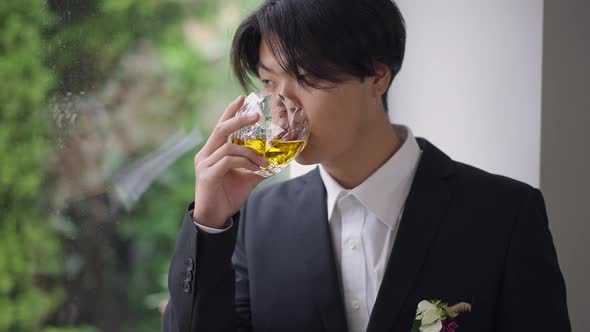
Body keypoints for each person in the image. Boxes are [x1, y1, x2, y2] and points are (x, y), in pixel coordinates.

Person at [162, 1, 571, 331]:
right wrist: (210, 222)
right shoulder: (257, 218)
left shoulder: (505, 214)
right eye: (269, 82)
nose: (283, 108)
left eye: (304, 77)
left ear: (377, 76)